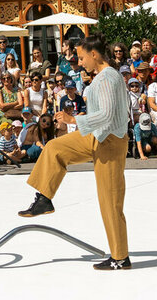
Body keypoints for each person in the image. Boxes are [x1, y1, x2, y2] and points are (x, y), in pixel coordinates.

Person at [19, 35, 131, 271]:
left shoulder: (109, 77)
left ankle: (120, 257)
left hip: (110, 141)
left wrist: (73, 120)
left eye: (81, 57)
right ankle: (44, 199)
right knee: (54, 147)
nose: (80, 63)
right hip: (97, 136)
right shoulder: (101, 77)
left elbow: (107, 116)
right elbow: (101, 116)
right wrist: (79, 121)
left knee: (110, 201)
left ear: (94, 54)